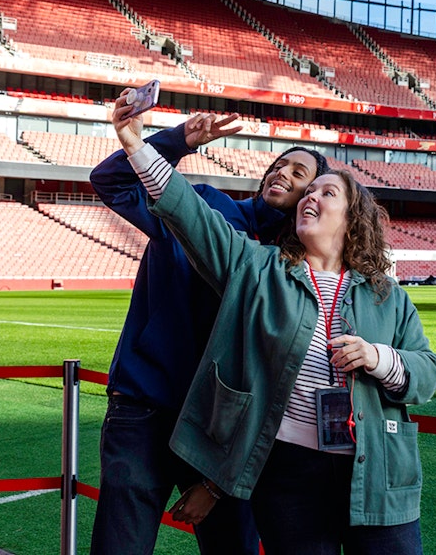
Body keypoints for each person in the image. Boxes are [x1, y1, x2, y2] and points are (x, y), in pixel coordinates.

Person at [110, 90, 436, 555]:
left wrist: (379, 358)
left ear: (352, 219)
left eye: (326, 192)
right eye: (307, 193)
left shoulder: (388, 295)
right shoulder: (259, 268)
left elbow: (428, 371)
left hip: (380, 477)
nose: (310, 196)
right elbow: (188, 213)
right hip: (288, 481)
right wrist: (136, 145)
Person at [90, 108, 327, 555]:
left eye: (299, 172)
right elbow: (110, 182)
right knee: (120, 546)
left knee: (234, 549)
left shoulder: (300, 267)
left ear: (313, 194)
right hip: (147, 405)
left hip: (224, 429)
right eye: (278, 165)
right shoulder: (203, 203)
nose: (282, 173)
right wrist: (177, 140)